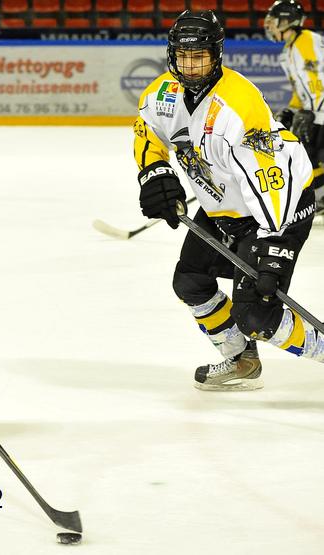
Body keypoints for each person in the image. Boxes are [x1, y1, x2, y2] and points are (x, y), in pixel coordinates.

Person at [133, 10, 318, 391]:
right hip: (223, 205)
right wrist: (156, 173)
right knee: (190, 282)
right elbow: (147, 133)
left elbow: (271, 178)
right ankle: (241, 359)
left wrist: (274, 244)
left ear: (216, 55)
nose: (191, 65)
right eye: (184, 56)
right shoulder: (161, 94)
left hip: (277, 209)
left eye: (199, 56)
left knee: (258, 315)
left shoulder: (238, 105)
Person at [264, 0, 324, 219]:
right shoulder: (289, 49)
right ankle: (318, 197)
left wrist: (314, 111)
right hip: (317, 112)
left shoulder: (307, 40)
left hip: (320, 112)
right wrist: (291, 110)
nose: (270, 25)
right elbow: (301, 89)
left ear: (286, 20)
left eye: (274, 20)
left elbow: (319, 80)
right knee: (307, 155)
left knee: (312, 154)